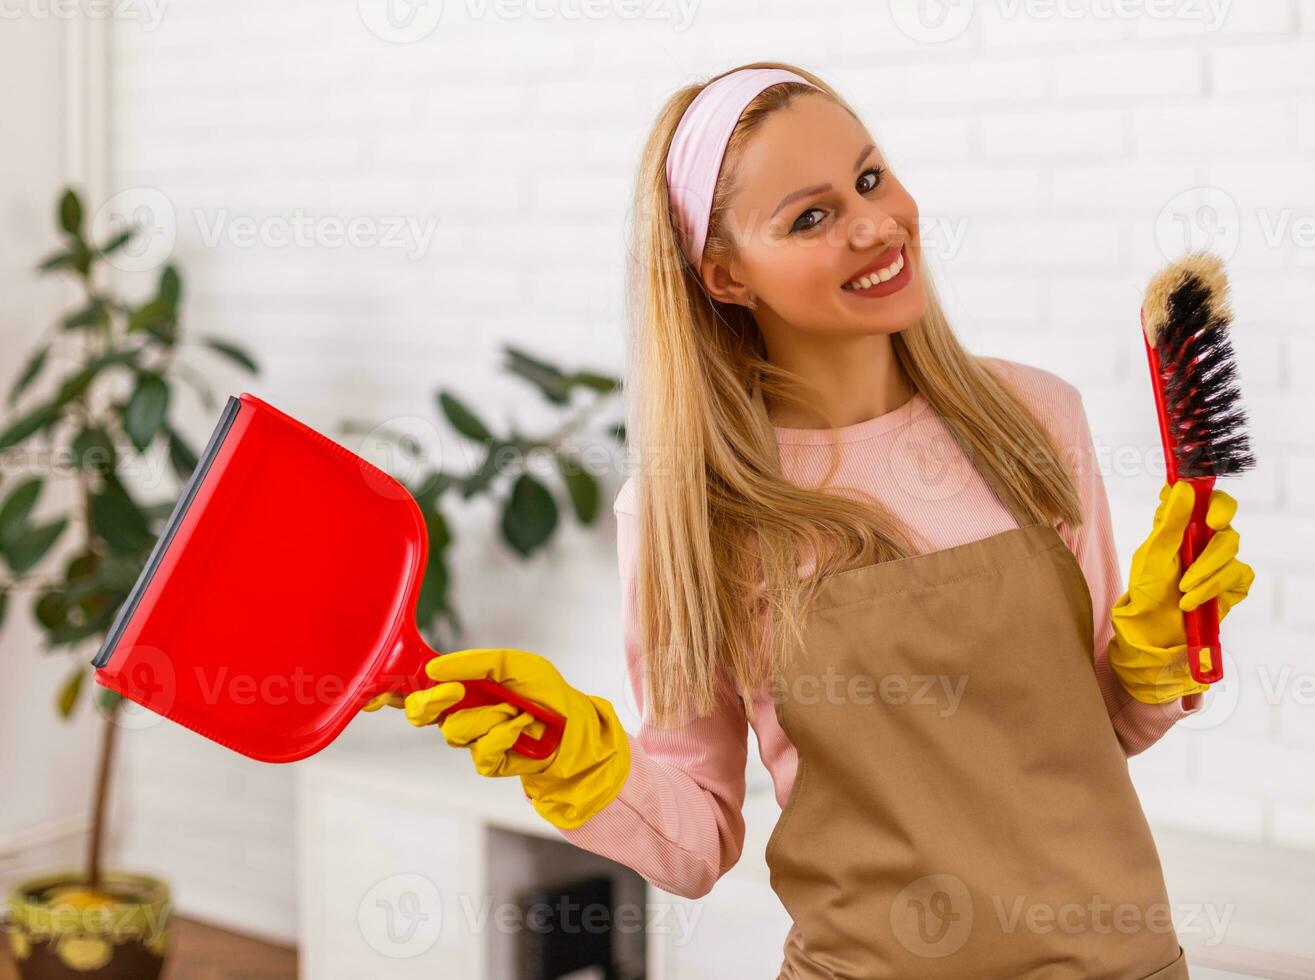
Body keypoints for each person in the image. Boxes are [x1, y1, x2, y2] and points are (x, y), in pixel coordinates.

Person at [363, 62, 1254, 979]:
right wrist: (577, 764)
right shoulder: (688, 511)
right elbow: (696, 839)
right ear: (724, 274)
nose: (875, 226)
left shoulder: (1033, 420)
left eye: (870, 179)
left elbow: (1104, 730)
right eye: (810, 217)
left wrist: (1156, 662)